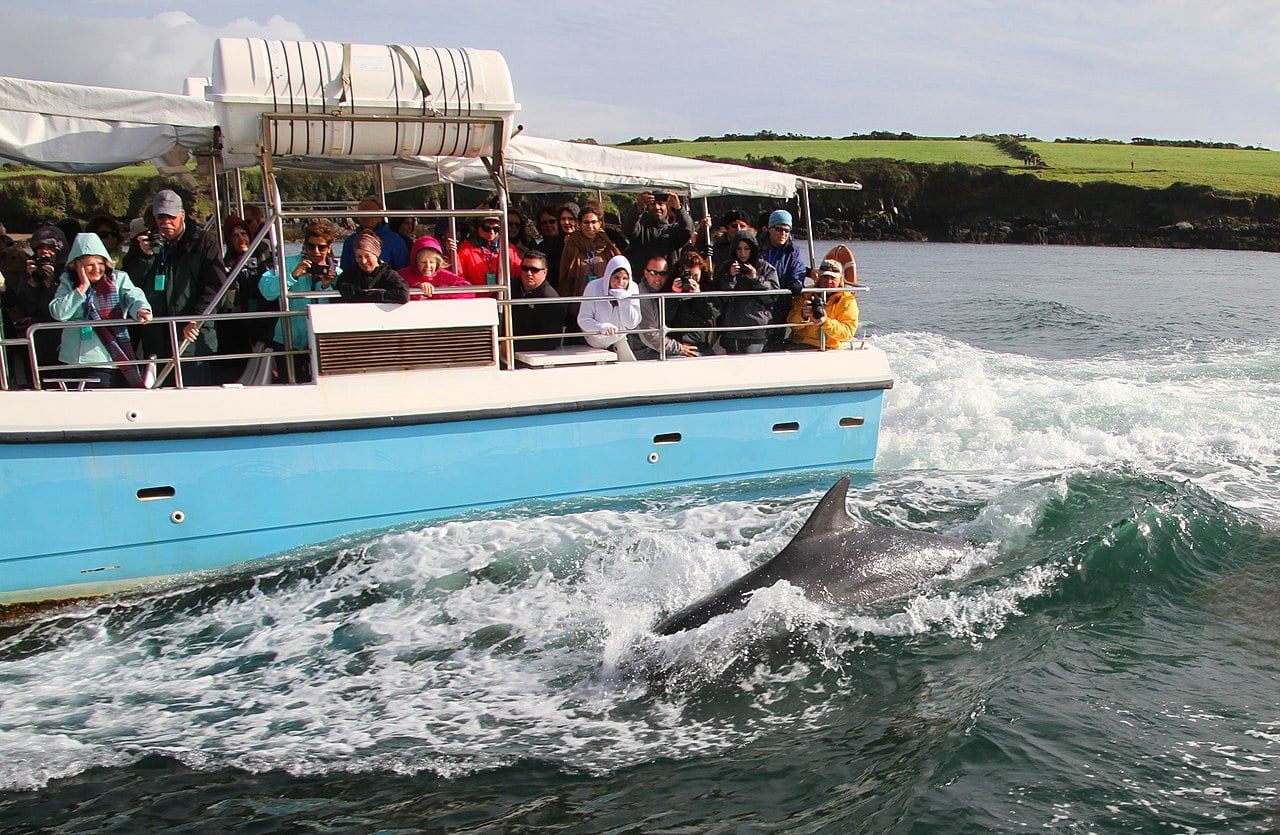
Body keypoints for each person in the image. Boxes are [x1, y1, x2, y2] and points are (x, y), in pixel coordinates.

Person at [123, 189, 227, 386]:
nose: (166, 222)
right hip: (156, 339)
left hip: (191, 341)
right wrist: (144, 257)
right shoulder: (143, 244)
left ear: (182, 215)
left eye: (171, 216)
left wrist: (197, 319)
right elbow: (127, 285)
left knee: (196, 398)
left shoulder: (205, 242)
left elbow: (217, 287)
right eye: (161, 217)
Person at [48, 233, 152, 387]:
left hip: (104, 362)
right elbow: (59, 313)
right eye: (89, 265)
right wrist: (82, 287)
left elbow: (134, 296)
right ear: (77, 265)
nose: (96, 269)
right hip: (69, 361)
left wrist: (141, 310)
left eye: (99, 263)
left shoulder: (118, 278)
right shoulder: (67, 282)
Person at [258, 219, 342, 382]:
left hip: (321, 343)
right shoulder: (288, 264)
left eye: (321, 247)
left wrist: (327, 286)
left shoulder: (337, 273)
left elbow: (343, 307)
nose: (316, 251)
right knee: (288, 387)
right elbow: (266, 291)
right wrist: (292, 276)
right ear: (305, 245)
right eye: (311, 246)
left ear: (329, 247)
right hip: (288, 340)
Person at [4, 225, 68, 385]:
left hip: (64, 337)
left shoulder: (71, 270)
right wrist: (32, 283)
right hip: (39, 339)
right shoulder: (30, 270)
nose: (45, 252)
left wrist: (51, 284)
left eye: (50, 247)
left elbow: (63, 307)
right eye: (40, 247)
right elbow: (25, 308)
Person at [714, 229, 780, 354]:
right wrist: (730, 277)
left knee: (754, 369)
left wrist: (755, 279)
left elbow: (773, 297)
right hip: (732, 331)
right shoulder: (725, 267)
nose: (742, 253)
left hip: (756, 330)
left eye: (746, 248)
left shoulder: (765, 268)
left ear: (753, 249)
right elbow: (719, 298)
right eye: (739, 249)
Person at [758, 209, 809, 350]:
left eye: (787, 230)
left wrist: (797, 282)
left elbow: (798, 269)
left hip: (781, 302)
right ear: (769, 229)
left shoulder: (793, 250)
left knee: (776, 341)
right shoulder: (755, 246)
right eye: (778, 229)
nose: (783, 234)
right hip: (758, 302)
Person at [629, 255, 698, 360]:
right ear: (645, 273)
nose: (658, 278)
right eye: (653, 273)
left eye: (663, 273)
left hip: (659, 347)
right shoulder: (642, 296)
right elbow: (650, 336)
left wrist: (695, 295)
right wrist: (679, 348)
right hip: (643, 351)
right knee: (695, 358)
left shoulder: (663, 291)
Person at [786, 258, 860, 350]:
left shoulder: (847, 300)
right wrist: (803, 315)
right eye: (825, 277)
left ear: (840, 279)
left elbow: (847, 332)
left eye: (833, 278)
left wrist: (825, 322)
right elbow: (791, 324)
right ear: (819, 277)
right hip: (799, 343)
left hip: (830, 347)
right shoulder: (806, 293)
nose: (829, 281)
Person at [577, 254, 640, 361]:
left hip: (618, 341)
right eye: (616, 277)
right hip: (591, 343)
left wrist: (624, 301)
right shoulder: (593, 287)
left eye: (625, 278)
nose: (620, 283)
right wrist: (601, 327)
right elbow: (583, 319)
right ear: (608, 276)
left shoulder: (633, 288)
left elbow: (631, 324)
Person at [558, 204, 621, 301]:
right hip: (579, 297)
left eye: (593, 222)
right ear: (579, 224)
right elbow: (565, 274)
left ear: (599, 223)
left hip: (604, 297)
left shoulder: (607, 243)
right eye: (586, 222)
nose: (590, 226)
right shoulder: (572, 243)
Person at [509, 250, 567, 351]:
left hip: (531, 353)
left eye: (534, 270)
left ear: (545, 272)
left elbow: (550, 342)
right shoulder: (510, 287)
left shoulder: (551, 300)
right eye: (525, 268)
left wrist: (511, 345)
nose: (529, 273)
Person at [625, 190, 694, 273]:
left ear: (667, 206)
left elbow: (688, 230)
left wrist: (679, 209)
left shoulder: (674, 231)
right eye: (653, 204)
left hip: (670, 282)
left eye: (661, 204)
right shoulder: (640, 230)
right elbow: (628, 228)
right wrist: (638, 207)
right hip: (642, 282)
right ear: (647, 207)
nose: (657, 207)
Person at [666, 250, 720, 356]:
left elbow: (712, 315)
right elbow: (666, 317)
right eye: (688, 275)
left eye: (695, 276)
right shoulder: (670, 287)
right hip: (677, 344)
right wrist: (674, 295)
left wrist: (698, 296)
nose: (691, 279)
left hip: (700, 344)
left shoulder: (707, 288)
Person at [336, 232, 411, 303]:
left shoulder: (389, 275)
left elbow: (403, 295)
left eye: (367, 256)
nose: (363, 261)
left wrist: (369, 295)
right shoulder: (348, 275)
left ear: (376, 255)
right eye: (359, 256)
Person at [339, 196, 409, 272]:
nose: (366, 217)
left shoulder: (395, 241)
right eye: (362, 213)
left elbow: (403, 271)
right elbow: (345, 270)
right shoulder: (350, 241)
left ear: (380, 216)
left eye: (371, 213)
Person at [399, 235, 475, 299]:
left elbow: (470, 292)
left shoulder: (446, 276)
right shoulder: (402, 275)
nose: (427, 266)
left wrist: (438, 292)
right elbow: (391, 291)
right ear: (415, 261)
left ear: (437, 262)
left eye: (431, 262)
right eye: (423, 262)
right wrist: (417, 289)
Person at [456, 214, 521, 287]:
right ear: (478, 228)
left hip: (504, 295)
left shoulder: (509, 248)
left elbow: (519, 274)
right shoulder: (465, 249)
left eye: (496, 229)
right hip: (477, 296)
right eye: (486, 228)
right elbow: (460, 277)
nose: (491, 232)